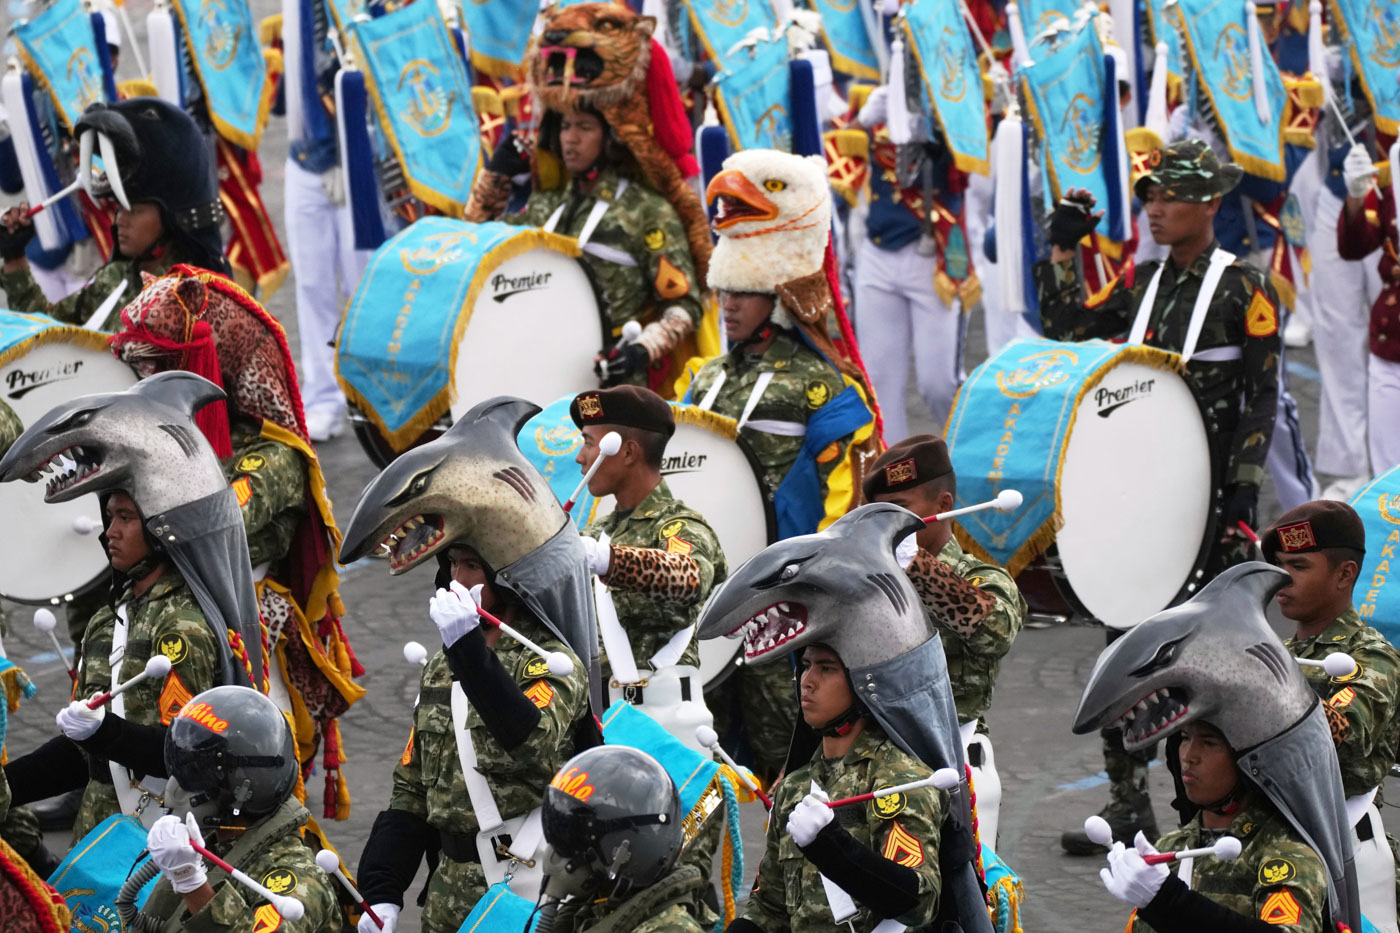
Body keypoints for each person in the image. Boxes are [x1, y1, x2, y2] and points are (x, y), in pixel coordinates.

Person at [109, 267, 364, 821]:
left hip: (242, 639)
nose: (140, 380)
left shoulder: (270, 457)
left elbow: (207, 521)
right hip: (159, 623)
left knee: (242, 795)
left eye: (155, 366)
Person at [1036, 138, 1282, 569]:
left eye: (1170, 197)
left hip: (1208, 480)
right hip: (1139, 471)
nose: (1154, 209)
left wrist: (1245, 483)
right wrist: (1063, 247)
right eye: (1150, 197)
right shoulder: (1139, 280)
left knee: (1212, 601)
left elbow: (1262, 394)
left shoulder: (1244, 286)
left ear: (1211, 203)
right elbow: (1066, 330)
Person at [354, 543, 590, 932]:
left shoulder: (548, 661)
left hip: (528, 886)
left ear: (505, 575)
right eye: (452, 564)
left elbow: (532, 744)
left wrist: (468, 651)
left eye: (472, 565)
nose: (457, 580)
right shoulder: (439, 667)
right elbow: (412, 786)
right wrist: (383, 889)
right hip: (447, 894)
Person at [5, 490, 223, 842]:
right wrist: (7, 786)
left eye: (126, 518)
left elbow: (185, 752)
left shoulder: (182, 627)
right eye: (109, 517)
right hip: (96, 840)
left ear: (159, 528)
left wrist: (104, 732)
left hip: (159, 845)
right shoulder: (106, 621)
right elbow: (81, 753)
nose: (110, 532)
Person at [729, 643, 948, 932]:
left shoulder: (899, 780)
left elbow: (920, 903)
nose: (807, 681)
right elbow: (770, 907)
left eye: (827, 668)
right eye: (805, 666)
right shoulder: (794, 786)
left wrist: (832, 848)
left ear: (863, 682)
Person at [1262, 500, 1400, 921]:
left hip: (1344, 848)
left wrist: (1249, 685)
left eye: (1299, 566)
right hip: (1264, 837)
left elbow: (1343, 733)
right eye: (1279, 565)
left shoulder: (1372, 656)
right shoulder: (1275, 652)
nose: (1282, 578)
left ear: (1344, 574)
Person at [0, 98, 228, 331]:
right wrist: (14, 258)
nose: (120, 220)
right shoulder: (115, 279)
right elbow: (45, 332)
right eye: (119, 208)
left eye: (134, 211)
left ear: (172, 221)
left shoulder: (200, 299)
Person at [129, 686, 345, 931]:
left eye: (199, 777)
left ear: (243, 790)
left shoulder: (296, 879)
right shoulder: (214, 846)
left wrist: (192, 884)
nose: (177, 789)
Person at [862, 435, 1025, 731]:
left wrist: (917, 566)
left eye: (899, 509)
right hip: (871, 738)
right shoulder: (869, 577)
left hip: (950, 740)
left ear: (944, 504)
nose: (886, 524)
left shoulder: (979, 577)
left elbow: (996, 633)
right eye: (878, 513)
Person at [1103, 720, 1330, 933]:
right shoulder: (1171, 848)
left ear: (1249, 758)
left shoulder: (1284, 854)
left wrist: (1169, 900)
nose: (1188, 756)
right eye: (1185, 738)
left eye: (1209, 743)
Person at [572, 385, 727, 682]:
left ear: (628, 452)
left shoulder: (681, 526)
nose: (580, 457)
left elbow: (690, 577)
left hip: (662, 706)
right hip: (600, 706)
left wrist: (607, 560)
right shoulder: (595, 533)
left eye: (589, 443)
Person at [278, 0, 369, 440]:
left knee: (363, 286)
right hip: (305, 160)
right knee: (312, 286)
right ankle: (322, 399)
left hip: (360, 156)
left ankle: (372, 399)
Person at [538, 745, 711, 932]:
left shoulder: (671, 929)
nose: (554, 854)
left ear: (622, 854)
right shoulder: (592, 909)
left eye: (577, 843)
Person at [1335, 142, 1400, 476]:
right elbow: (1354, 246)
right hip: (1392, 340)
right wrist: (1356, 195)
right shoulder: (1395, 172)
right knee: (1389, 474)